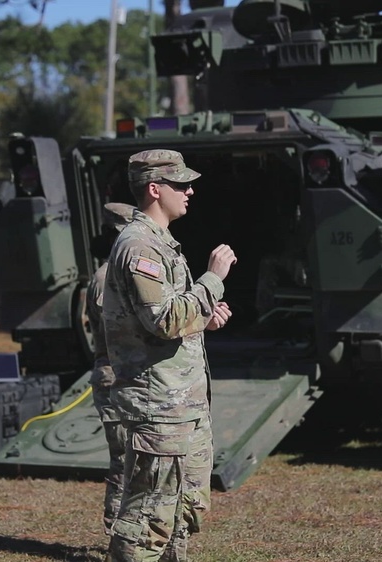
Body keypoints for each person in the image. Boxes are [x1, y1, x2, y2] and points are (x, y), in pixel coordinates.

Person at [102, 149, 236, 561]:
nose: (190, 190)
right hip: (159, 405)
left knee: (183, 510)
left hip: (183, 403)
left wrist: (203, 317)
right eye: (180, 184)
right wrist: (212, 279)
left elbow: (172, 317)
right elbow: (162, 320)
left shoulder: (162, 243)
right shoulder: (140, 246)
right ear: (154, 189)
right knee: (148, 519)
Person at [86, 202, 136, 535]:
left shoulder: (116, 274)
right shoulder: (108, 278)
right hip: (115, 377)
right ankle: (117, 531)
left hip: (126, 376)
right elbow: (116, 333)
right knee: (124, 460)